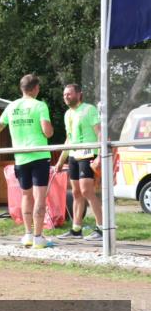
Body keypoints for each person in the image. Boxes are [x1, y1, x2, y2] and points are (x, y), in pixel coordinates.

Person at [0, 73, 54, 248]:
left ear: (21, 89)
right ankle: (38, 237)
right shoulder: (40, 105)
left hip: (21, 157)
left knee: (26, 196)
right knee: (39, 197)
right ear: (36, 89)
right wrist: (49, 129)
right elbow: (47, 132)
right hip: (39, 156)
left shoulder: (12, 107)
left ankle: (27, 235)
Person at [54, 83, 104, 241]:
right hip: (74, 156)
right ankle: (76, 229)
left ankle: (102, 228)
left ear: (78, 94)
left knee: (87, 192)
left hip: (88, 154)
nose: (66, 97)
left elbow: (100, 133)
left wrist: (100, 156)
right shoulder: (67, 114)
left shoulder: (89, 109)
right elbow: (69, 139)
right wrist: (61, 161)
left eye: (69, 94)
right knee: (76, 193)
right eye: (64, 95)